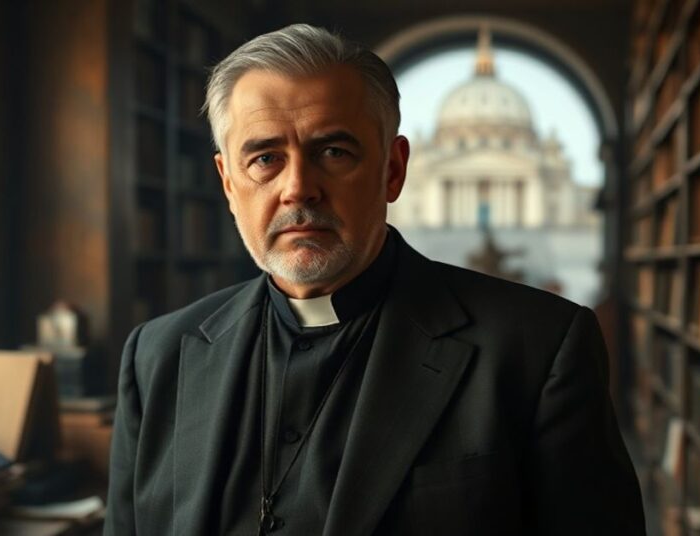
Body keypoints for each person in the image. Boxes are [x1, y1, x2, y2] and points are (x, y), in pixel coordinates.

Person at [105, 23, 645, 535]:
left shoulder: (539, 349)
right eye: (266, 158)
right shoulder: (158, 357)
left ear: (393, 169)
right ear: (228, 183)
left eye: (333, 152)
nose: (298, 188)